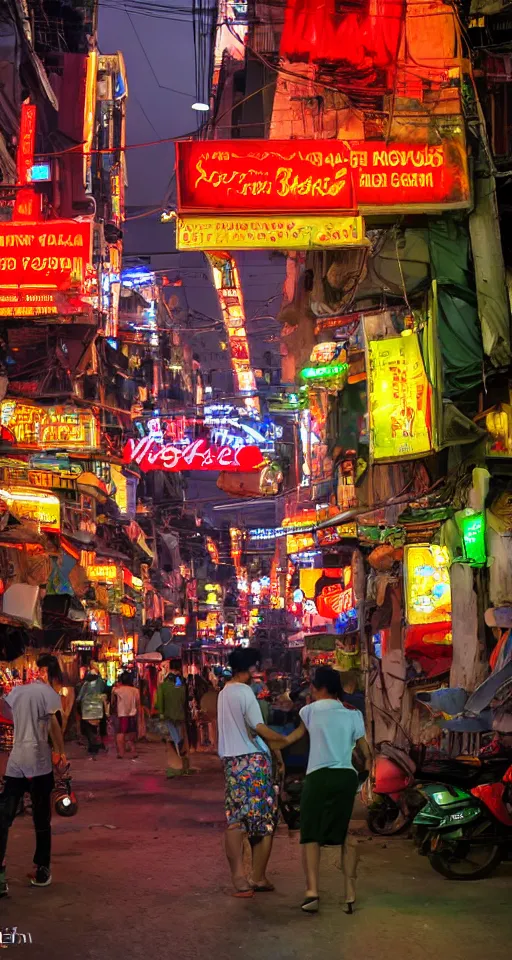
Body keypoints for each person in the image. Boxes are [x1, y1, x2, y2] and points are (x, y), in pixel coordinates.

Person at [283, 666, 371, 914]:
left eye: (312, 684)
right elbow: (366, 752)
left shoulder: (309, 710)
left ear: (319, 687)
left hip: (318, 777)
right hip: (346, 778)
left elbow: (292, 739)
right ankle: (350, 895)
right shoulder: (353, 713)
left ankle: (312, 893)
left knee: (310, 835)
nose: (310, 688)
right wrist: (365, 778)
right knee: (343, 834)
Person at [217, 647, 288, 897]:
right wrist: (283, 740)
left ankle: (239, 877)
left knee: (235, 821)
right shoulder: (246, 692)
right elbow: (258, 727)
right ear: (248, 668)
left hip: (232, 764)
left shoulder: (224, 693)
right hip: (254, 763)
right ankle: (258, 877)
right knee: (264, 823)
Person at [0, 654, 66, 895]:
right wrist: (60, 752)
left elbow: (6, 715)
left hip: (16, 763)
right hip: (39, 764)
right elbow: (54, 726)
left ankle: (0, 874)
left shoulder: (17, 693)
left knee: (3, 819)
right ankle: (42, 870)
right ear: (49, 673)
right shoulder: (49, 694)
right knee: (41, 820)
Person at [156, 666, 189, 777]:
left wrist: (160, 712)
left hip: (168, 713)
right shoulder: (181, 688)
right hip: (179, 713)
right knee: (178, 729)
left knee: (172, 731)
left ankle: (178, 744)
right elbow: (184, 701)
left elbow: (160, 701)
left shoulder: (162, 687)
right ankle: (179, 744)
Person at [76, 670, 107, 759]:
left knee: (88, 727)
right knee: (95, 727)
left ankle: (92, 745)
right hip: (98, 709)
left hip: (87, 709)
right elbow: (104, 690)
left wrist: (78, 702)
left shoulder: (85, 684)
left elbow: (79, 697)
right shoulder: (100, 682)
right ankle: (95, 744)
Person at [112, 672, 140, 760]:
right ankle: (133, 750)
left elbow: (113, 702)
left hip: (120, 714)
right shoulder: (135, 690)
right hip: (132, 714)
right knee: (131, 733)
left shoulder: (116, 690)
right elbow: (138, 704)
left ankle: (121, 752)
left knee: (120, 733)